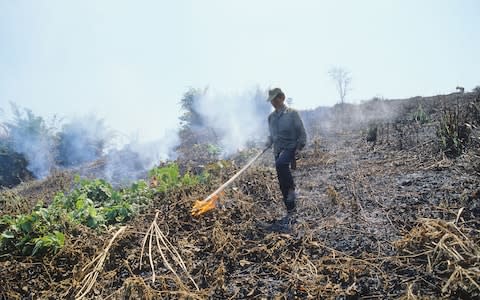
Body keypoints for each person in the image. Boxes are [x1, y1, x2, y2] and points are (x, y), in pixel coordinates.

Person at [265, 88, 307, 222]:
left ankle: (293, 190)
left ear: (282, 98)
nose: (273, 102)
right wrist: (268, 142)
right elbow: (272, 136)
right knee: (282, 182)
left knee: (281, 164)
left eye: (275, 99)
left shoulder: (292, 114)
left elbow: (301, 132)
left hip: (290, 147)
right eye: (271, 100)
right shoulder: (271, 118)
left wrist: (299, 148)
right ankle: (291, 210)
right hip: (277, 150)